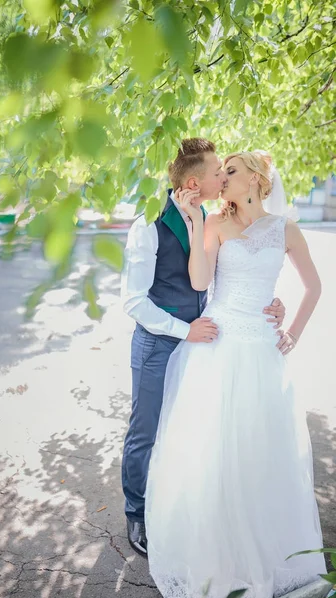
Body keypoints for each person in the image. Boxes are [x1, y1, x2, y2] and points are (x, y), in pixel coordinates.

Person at [145, 150, 326, 598]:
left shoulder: (286, 229)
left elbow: (314, 287)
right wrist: (191, 222)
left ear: (257, 179)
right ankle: (218, 554)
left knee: (259, 448)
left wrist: (293, 333)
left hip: (262, 349)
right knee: (215, 450)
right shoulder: (214, 223)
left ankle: (263, 554)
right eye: (220, 171)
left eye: (230, 171)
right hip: (220, 345)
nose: (221, 178)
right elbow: (202, 284)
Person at [121, 139, 287, 558]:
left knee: (185, 431)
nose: (223, 178)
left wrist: (272, 303)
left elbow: (233, 272)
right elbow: (134, 301)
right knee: (147, 431)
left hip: (205, 341)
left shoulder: (209, 217)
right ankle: (137, 514)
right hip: (160, 343)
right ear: (196, 181)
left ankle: (174, 508)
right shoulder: (148, 222)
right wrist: (183, 330)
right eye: (219, 172)